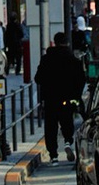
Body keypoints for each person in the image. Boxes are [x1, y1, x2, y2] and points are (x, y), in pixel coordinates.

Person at [36, 25, 85, 160]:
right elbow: (81, 79)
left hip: (51, 99)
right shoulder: (74, 60)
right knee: (67, 121)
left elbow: (38, 78)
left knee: (51, 127)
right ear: (67, 43)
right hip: (67, 98)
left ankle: (53, 156)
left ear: (55, 42)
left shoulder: (46, 59)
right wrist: (76, 95)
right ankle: (68, 141)